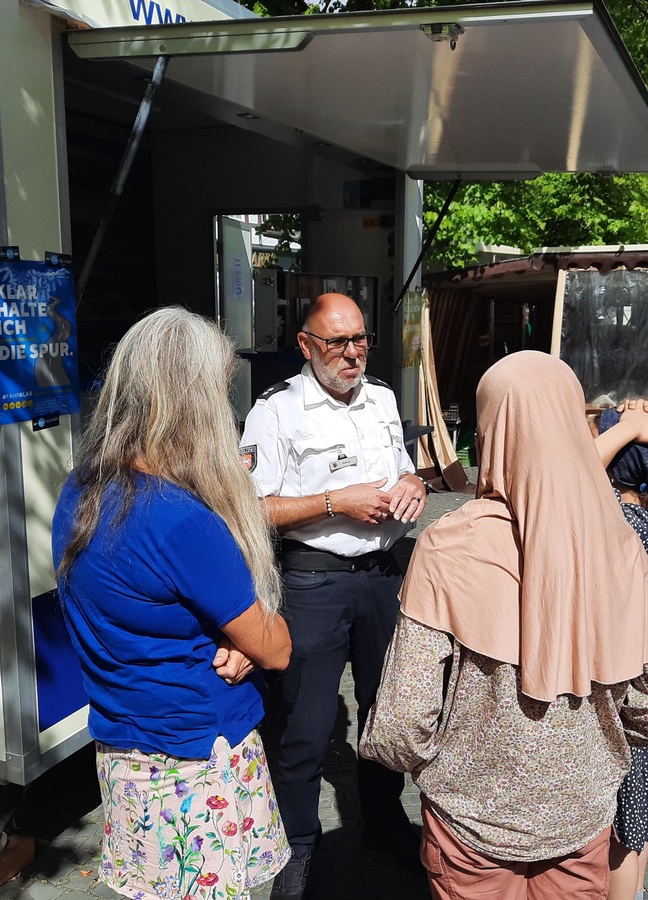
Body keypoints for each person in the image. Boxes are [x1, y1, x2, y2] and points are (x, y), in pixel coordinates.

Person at [359, 351, 648, 900]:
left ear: (491, 432)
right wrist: (595, 748)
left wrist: (441, 770)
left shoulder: (449, 545)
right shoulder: (616, 542)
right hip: (581, 821)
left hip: (469, 825)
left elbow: (400, 721)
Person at [51, 307, 293, 900]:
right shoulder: (181, 520)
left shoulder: (80, 490)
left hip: (127, 755)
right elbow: (279, 648)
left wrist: (236, 639)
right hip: (194, 761)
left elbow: (139, 612)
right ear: (194, 401)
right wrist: (250, 639)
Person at [239, 292, 427, 900]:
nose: (352, 353)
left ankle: (382, 817)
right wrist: (333, 502)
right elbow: (254, 510)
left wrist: (413, 485)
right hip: (313, 580)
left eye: (360, 340)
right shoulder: (275, 410)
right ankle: (296, 843)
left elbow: (404, 469)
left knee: (384, 711)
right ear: (305, 345)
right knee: (306, 724)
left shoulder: (383, 398)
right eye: (337, 343)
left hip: (383, 577)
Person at [594, 402, 648, 900]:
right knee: (634, 819)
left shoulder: (618, 525)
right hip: (636, 688)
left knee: (623, 826)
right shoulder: (645, 514)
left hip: (619, 691)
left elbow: (565, 479)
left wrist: (623, 428)